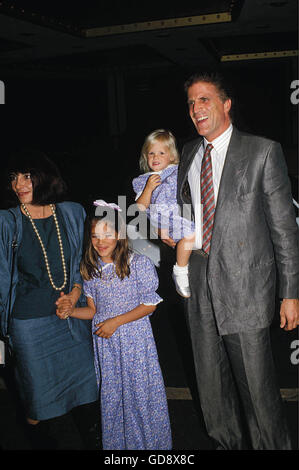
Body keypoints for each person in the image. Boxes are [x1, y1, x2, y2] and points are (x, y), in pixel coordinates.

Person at [167, 71, 299, 450]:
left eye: (204, 99)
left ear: (226, 104)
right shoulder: (189, 153)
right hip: (198, 283)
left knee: (257, 392)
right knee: (211, 388)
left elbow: (285, 231)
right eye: (191, 103)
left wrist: (290, 293)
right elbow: (185, 214)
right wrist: (170, 231)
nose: (196, 108)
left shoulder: (263, 151)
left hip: (246, 290)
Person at [0, 149, 99, 449]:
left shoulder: (71, 212)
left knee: (87, 393)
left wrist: (75, 293)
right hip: (29, 325)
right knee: (38, 401)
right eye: (14, 178)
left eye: (27, 176)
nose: (19, 185)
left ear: (45, 177)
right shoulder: (7, 222)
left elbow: (85, 263)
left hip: (71, 319)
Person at [56, 200, 172, 450]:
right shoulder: (91, 270)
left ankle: (150, 448)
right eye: (96, 235)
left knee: (139, 396)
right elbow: (93, 311)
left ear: (119, 234)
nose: (101, 241)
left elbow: (149, 305)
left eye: (107, 234)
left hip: (135, 342)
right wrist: (71, 312)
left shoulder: (138, 264)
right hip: (106, 346)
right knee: (114, 398)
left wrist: (115, 323)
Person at [132, 129, 195, 298]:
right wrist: (149, 189)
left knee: (191, 237)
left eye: (161, 152)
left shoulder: (178, 171)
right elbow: (139, 208)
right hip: (164, 219)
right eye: (151, 153)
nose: (155, 157)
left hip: (181, 216)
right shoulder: (144, 180)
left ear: (172, 156)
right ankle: (180, 270)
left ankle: (183, 267)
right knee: (191, 235)